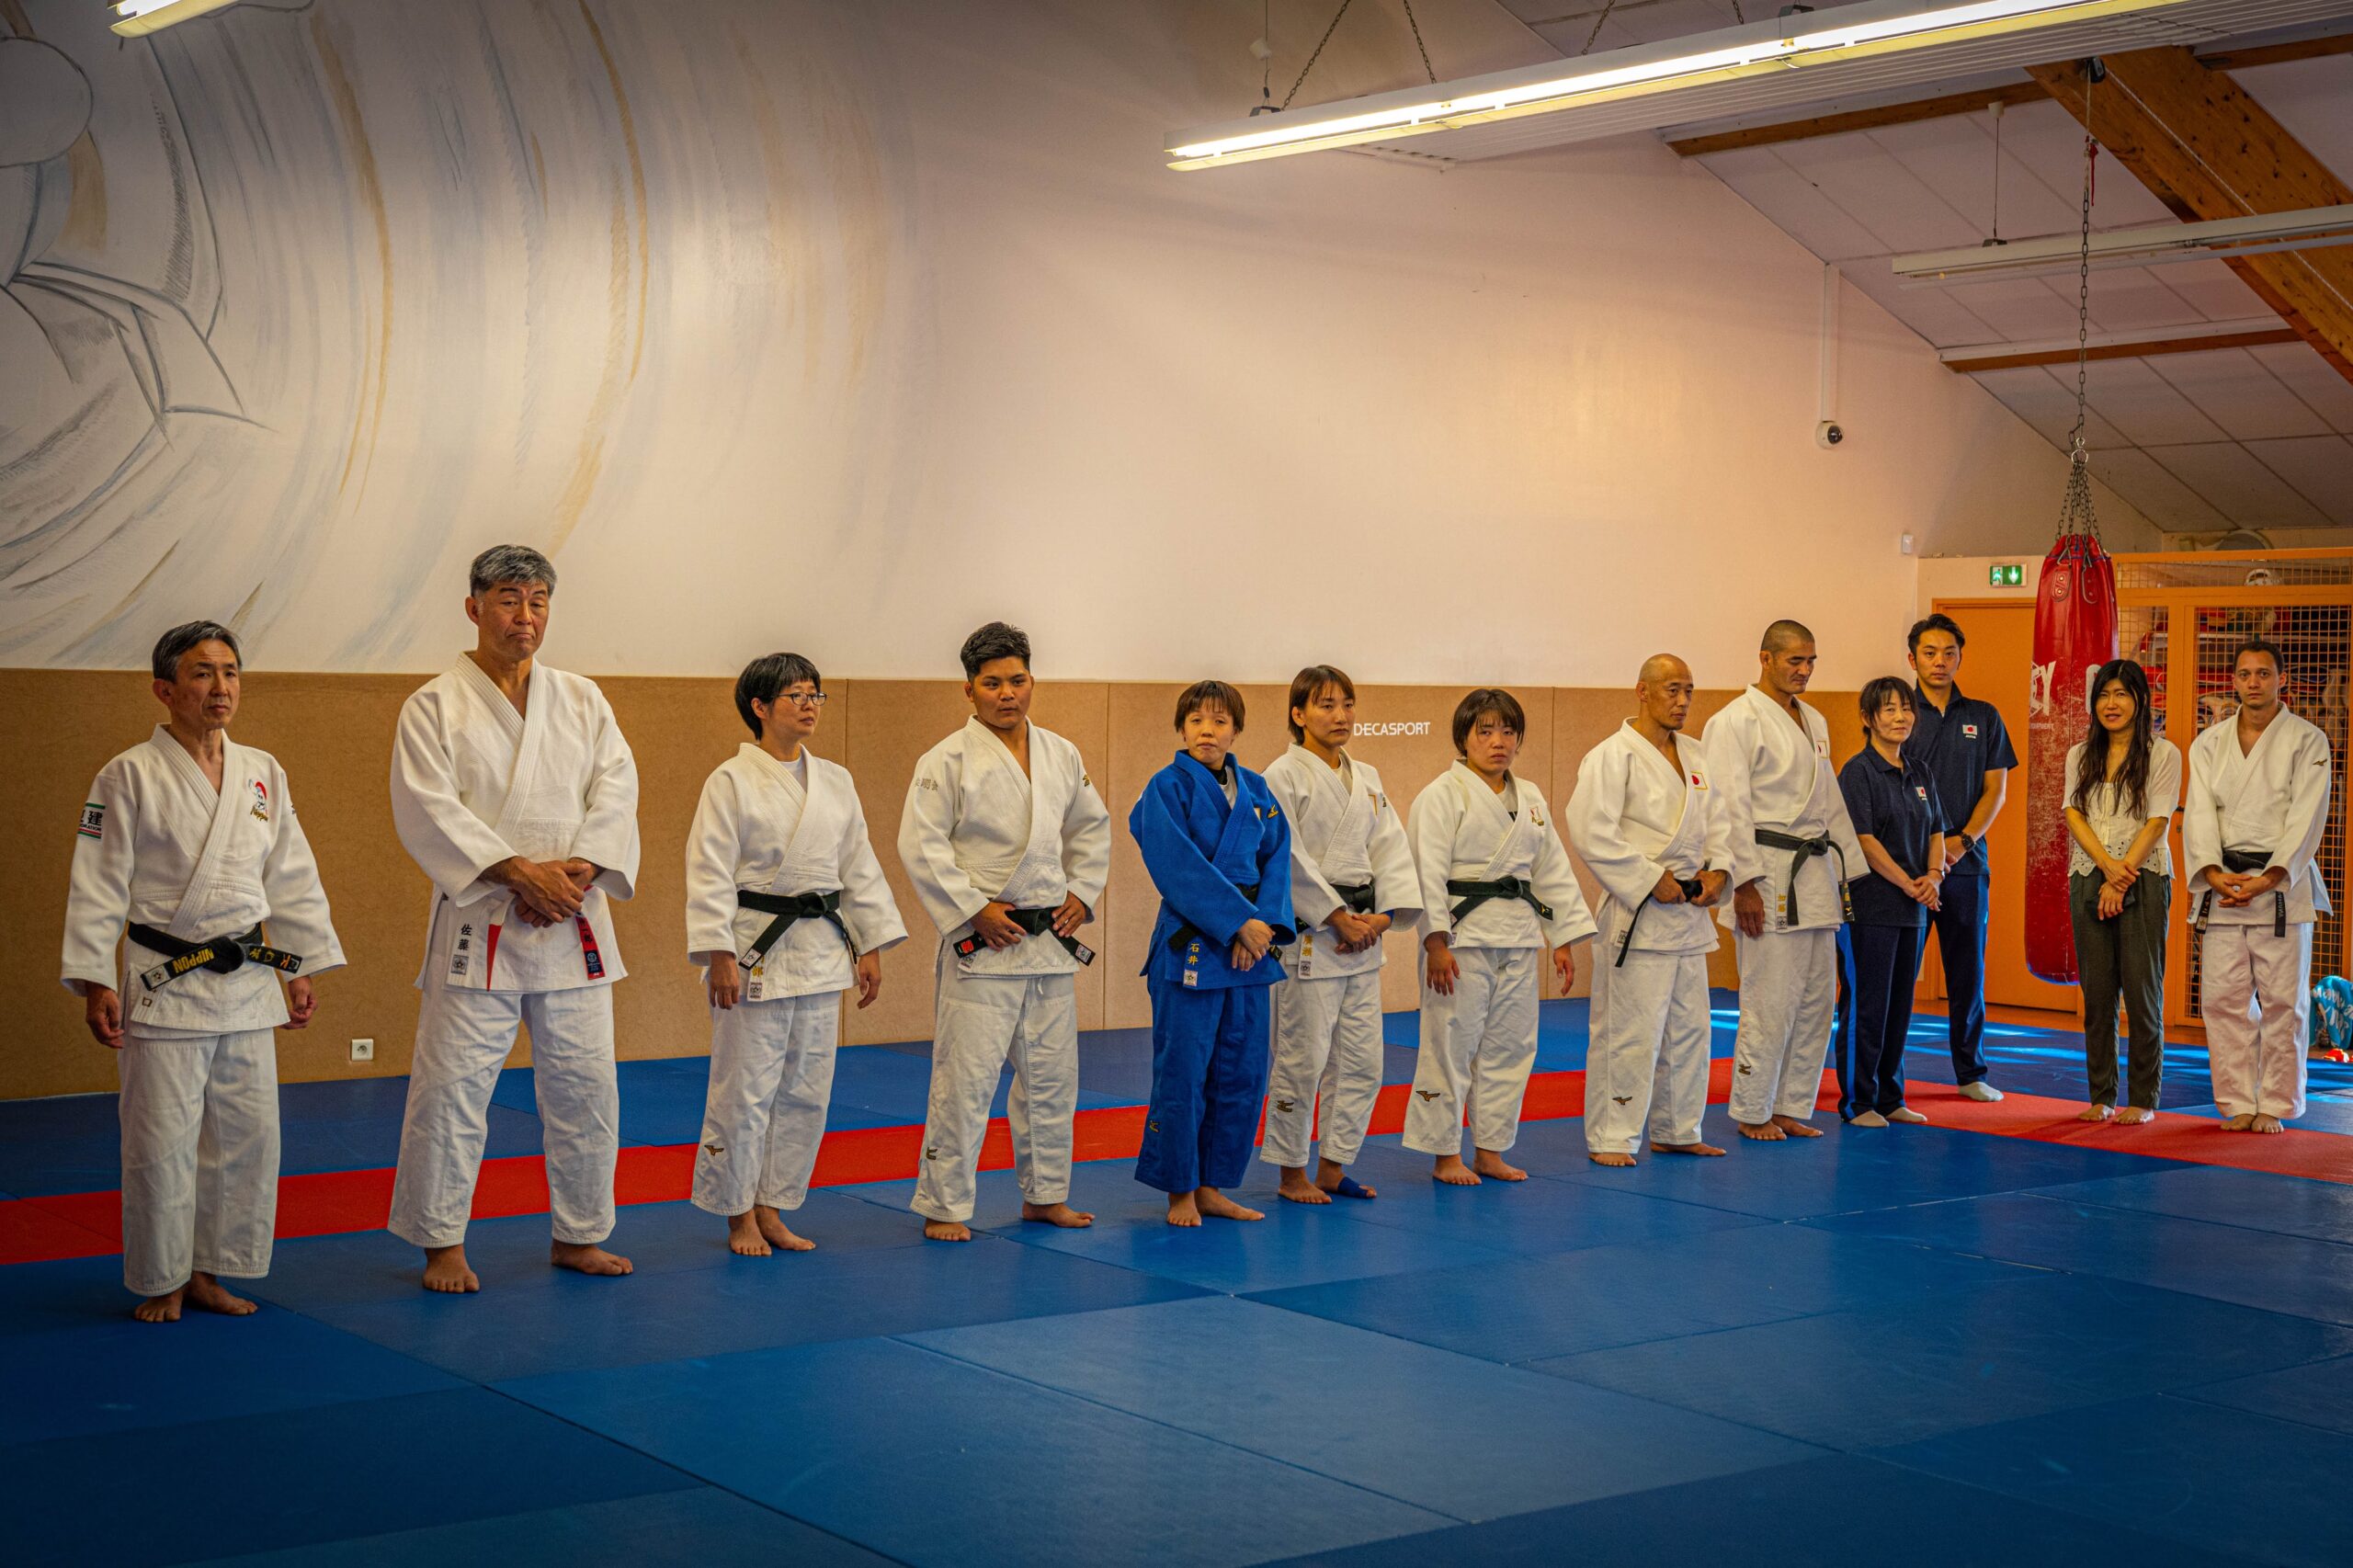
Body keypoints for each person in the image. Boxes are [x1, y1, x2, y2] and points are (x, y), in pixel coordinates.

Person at [61, 621, 346, 1322]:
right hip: (164, 978)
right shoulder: (127, 774)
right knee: (161, 1139)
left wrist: (300, 963)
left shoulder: (262, 772)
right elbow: (98, 882)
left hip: (248, 978)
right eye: (201, 673)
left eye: (231, 672)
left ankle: (214, 1271)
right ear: (165, 689)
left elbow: (292, 872)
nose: (221, 687)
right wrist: (97, 978)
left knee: (248, 1138)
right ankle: (162, 1276)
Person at [387, 545, 642, 1292]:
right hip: (483, 923)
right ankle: (442, 1242)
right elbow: (426, 808)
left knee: (587, 1087)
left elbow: (616, 791)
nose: (524, 615)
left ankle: (581, 1233)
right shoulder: (433, 705)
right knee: (452, 1090)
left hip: (572, 920)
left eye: (537, 600)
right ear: (472, 608)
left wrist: (579, 871)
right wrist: (517, 872)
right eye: (507, 598)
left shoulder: (583, 698)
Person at [685, 653, 906, 1255]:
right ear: (759, 706)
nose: (809, 705)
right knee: (745, 1088)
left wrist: (870, 945)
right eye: (795, 695)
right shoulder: (730, 781)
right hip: (756, 948)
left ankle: (774, 1205)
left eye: (816, 695)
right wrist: (718, 953)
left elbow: (858, 865)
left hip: (821, 947)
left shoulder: (835, 780)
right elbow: (707, 871)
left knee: (807, 1089)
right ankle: (737, 1213)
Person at [899, 622, 1110, 1241]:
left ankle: (1046, 1196)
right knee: (965, 1079)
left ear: (1031, 682)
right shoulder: (945, 760)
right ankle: (945, 1204)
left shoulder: (1061, 752)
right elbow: (921, 846)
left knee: (1052, 1078)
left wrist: (1081, 892)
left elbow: (1091, 828)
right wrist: (972, 908)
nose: (1007, 694)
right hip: (984, 942)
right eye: (992, 683)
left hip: (1047, 944)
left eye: (1017, 681)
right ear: (970, 691)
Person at [1404, 689, 1596, 1184]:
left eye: (1508, 732)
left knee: (1511, 1048)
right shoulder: (1440, 795)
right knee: (1451, 1046)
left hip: (1518, 934)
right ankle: (1445, 1154)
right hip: (1462, 940)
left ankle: (1490, 1149)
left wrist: (1563, 937)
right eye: (1485, 731)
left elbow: (1550, 869)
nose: (1498, 742)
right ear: (1463, 738)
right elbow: (1427, 872)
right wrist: (1435, 943)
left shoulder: (1529, 797)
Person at [1132, 682, 1297, 1224]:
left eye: (1220, 721)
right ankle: (1179, 1188)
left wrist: (1265, 927)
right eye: (1197, 720)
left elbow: (1278, 861)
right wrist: (1235, 924)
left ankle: (1213, 1184)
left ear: (1237, 730)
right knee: (1184, 1070)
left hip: (1251, 950)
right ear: (1182, 729)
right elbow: (1175, 865)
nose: (1208, 730)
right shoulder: (1166, 787)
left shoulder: (1256, 790)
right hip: (1195, 947)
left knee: (1243, 1072)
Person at [1259, 666, 1421, 1204]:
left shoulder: (1368, 776)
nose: (1341, 715)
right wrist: (1334, 915)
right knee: (1301, 1060)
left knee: (1362, 1060)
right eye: (1326, 705)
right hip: (1311, 938)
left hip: (1362, 939)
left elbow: (1391, 850)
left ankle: (1333, 1164)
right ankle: (1290, 1171)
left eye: (1348, 704)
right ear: (1298, 715)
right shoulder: (1281, 775)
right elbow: (1286, 857)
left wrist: (1380, 916)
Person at [1701, 620, 1865, 1142]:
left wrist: (1848, 871)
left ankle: (1792, 1105)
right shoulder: (1734, 721)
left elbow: (1829, 803)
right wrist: (1743, 883)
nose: (1804, 670)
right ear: (1765, 659)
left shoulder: (1814, 719)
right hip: (1767, 874)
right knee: (1769, 1000)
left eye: (1811, 660)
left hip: (1814, 875)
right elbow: (1725, 805)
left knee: (1818, 1000)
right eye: (1794, 660)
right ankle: (1752, 1109)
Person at [1566, 654, 1731, 1167]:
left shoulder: (1698, 756)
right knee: (1630, 1031)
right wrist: (1646, 877)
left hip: (1687, 913)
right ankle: (1613, 1135)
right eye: (1672, 690)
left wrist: (1719, 873)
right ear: (1642, 691)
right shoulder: (1611, 756)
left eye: (1689, 691)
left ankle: (1678, 1128)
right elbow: (1591, 830)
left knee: (1690, 1029)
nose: (1682, 701)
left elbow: (1720, 824)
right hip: (1639, 914)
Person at [2184, 639, 2333, 1133]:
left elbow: (2307, 816)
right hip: (2223, 883)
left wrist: (2271, 876)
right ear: (2233, 680)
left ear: (2281, 679)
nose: (2253, 683)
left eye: (2264, 674)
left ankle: (2276, 1102)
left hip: (2281, 888)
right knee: (2223, 1000)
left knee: (2283, 1002)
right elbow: (2199, 812)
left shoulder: (2307, 740)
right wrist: (2209, 872)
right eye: (2245, 674)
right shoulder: (2208, 743)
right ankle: (2235, 1101)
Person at [1904, 613, 2020, 1103]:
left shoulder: (1984, 715)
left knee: (1966, 971)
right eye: (1929, 653)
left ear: (1959, 658)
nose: (1939, 661)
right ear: (1911, 658)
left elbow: (1996, 790)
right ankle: (1882, 1076)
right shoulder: (1896, 712)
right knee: (1894, 975)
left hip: (1965, 862)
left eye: (1948, 653)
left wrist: (1963, 842)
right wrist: (1925, 851)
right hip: (1906, 866)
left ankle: (1971, 1072)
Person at [2063, 659, 2181, 1124]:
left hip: (2144, 874)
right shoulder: (2079, 754)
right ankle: (2102, 1096)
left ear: (2140, 700)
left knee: (2142, 988)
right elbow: (2073, 814)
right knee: (2097, 994)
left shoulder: (2162, 753)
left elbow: (2157, 820)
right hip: (2090, 873)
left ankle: (2143, 1099)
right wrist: (2106, 868)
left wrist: (2122, 873)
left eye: (2122, 694)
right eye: (2104, 695)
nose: (2112, 704)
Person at [1832, 679, 1945, 1127]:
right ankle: (1859, 1102)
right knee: (1868, 1003)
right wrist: (1907, 882)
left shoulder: (1920, 772)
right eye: (1889, 710)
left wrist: (1933, 876)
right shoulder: (1857, 772)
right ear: (1868, 719)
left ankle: (1891, 1097)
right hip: (1871, 906)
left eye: (1906, 709)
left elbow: (1937, 830)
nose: (1900, 718)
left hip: (1914, 909)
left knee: (1901, 1005)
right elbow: (1863, 840)